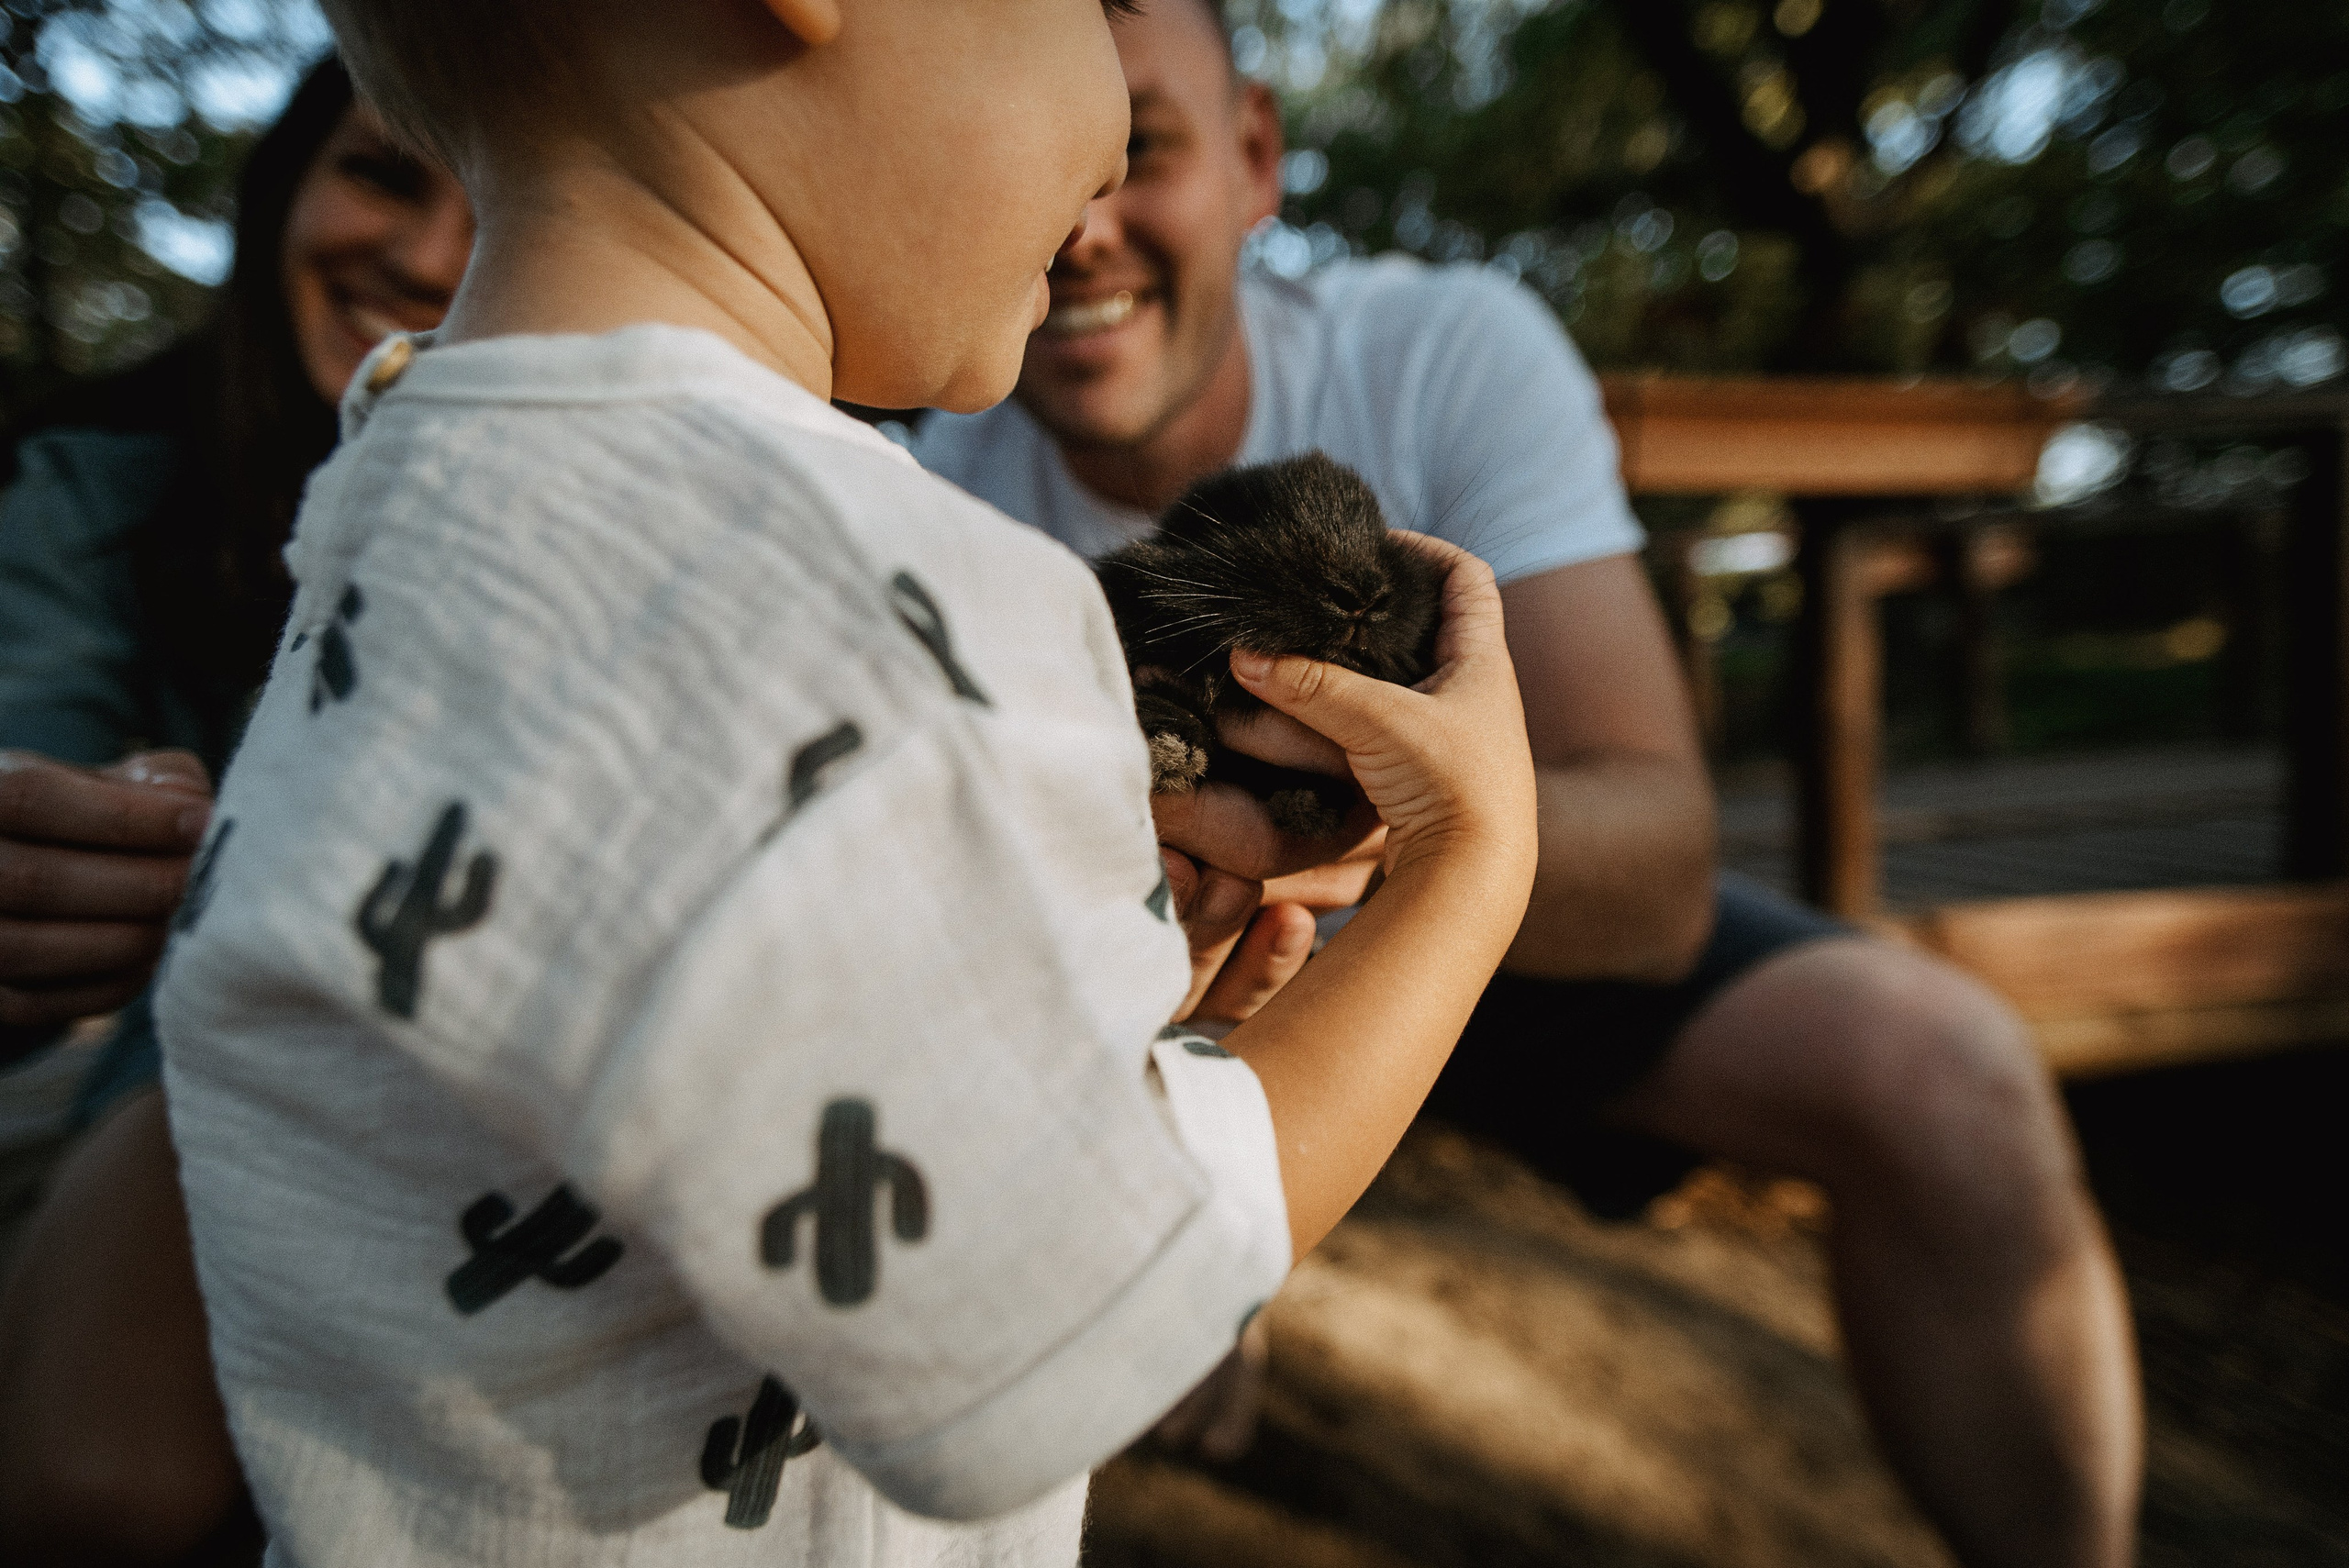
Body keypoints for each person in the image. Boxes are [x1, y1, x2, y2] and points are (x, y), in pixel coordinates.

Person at [156, 0, 1537, 1562]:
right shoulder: (832, 575)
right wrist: (1471, 870)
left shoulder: (419, 488)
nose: (1105, 143)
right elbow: (1046, 1334)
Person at [912, 4, 2144, 1566]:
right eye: (1040, 158)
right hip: (1126, 975)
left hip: (1499, 922)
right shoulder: (916, 467)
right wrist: (1171, 1146)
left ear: (1255, 158)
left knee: (1945, 1072)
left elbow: (1653, 855)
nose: (1083, 229)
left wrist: (1387, 850)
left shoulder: (1441, 351)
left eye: (1135, 152)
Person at [0, 59, 473, 1562]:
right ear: (279, 190)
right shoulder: (93, 490)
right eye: (387, 174)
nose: (426, 257)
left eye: (499, 206)